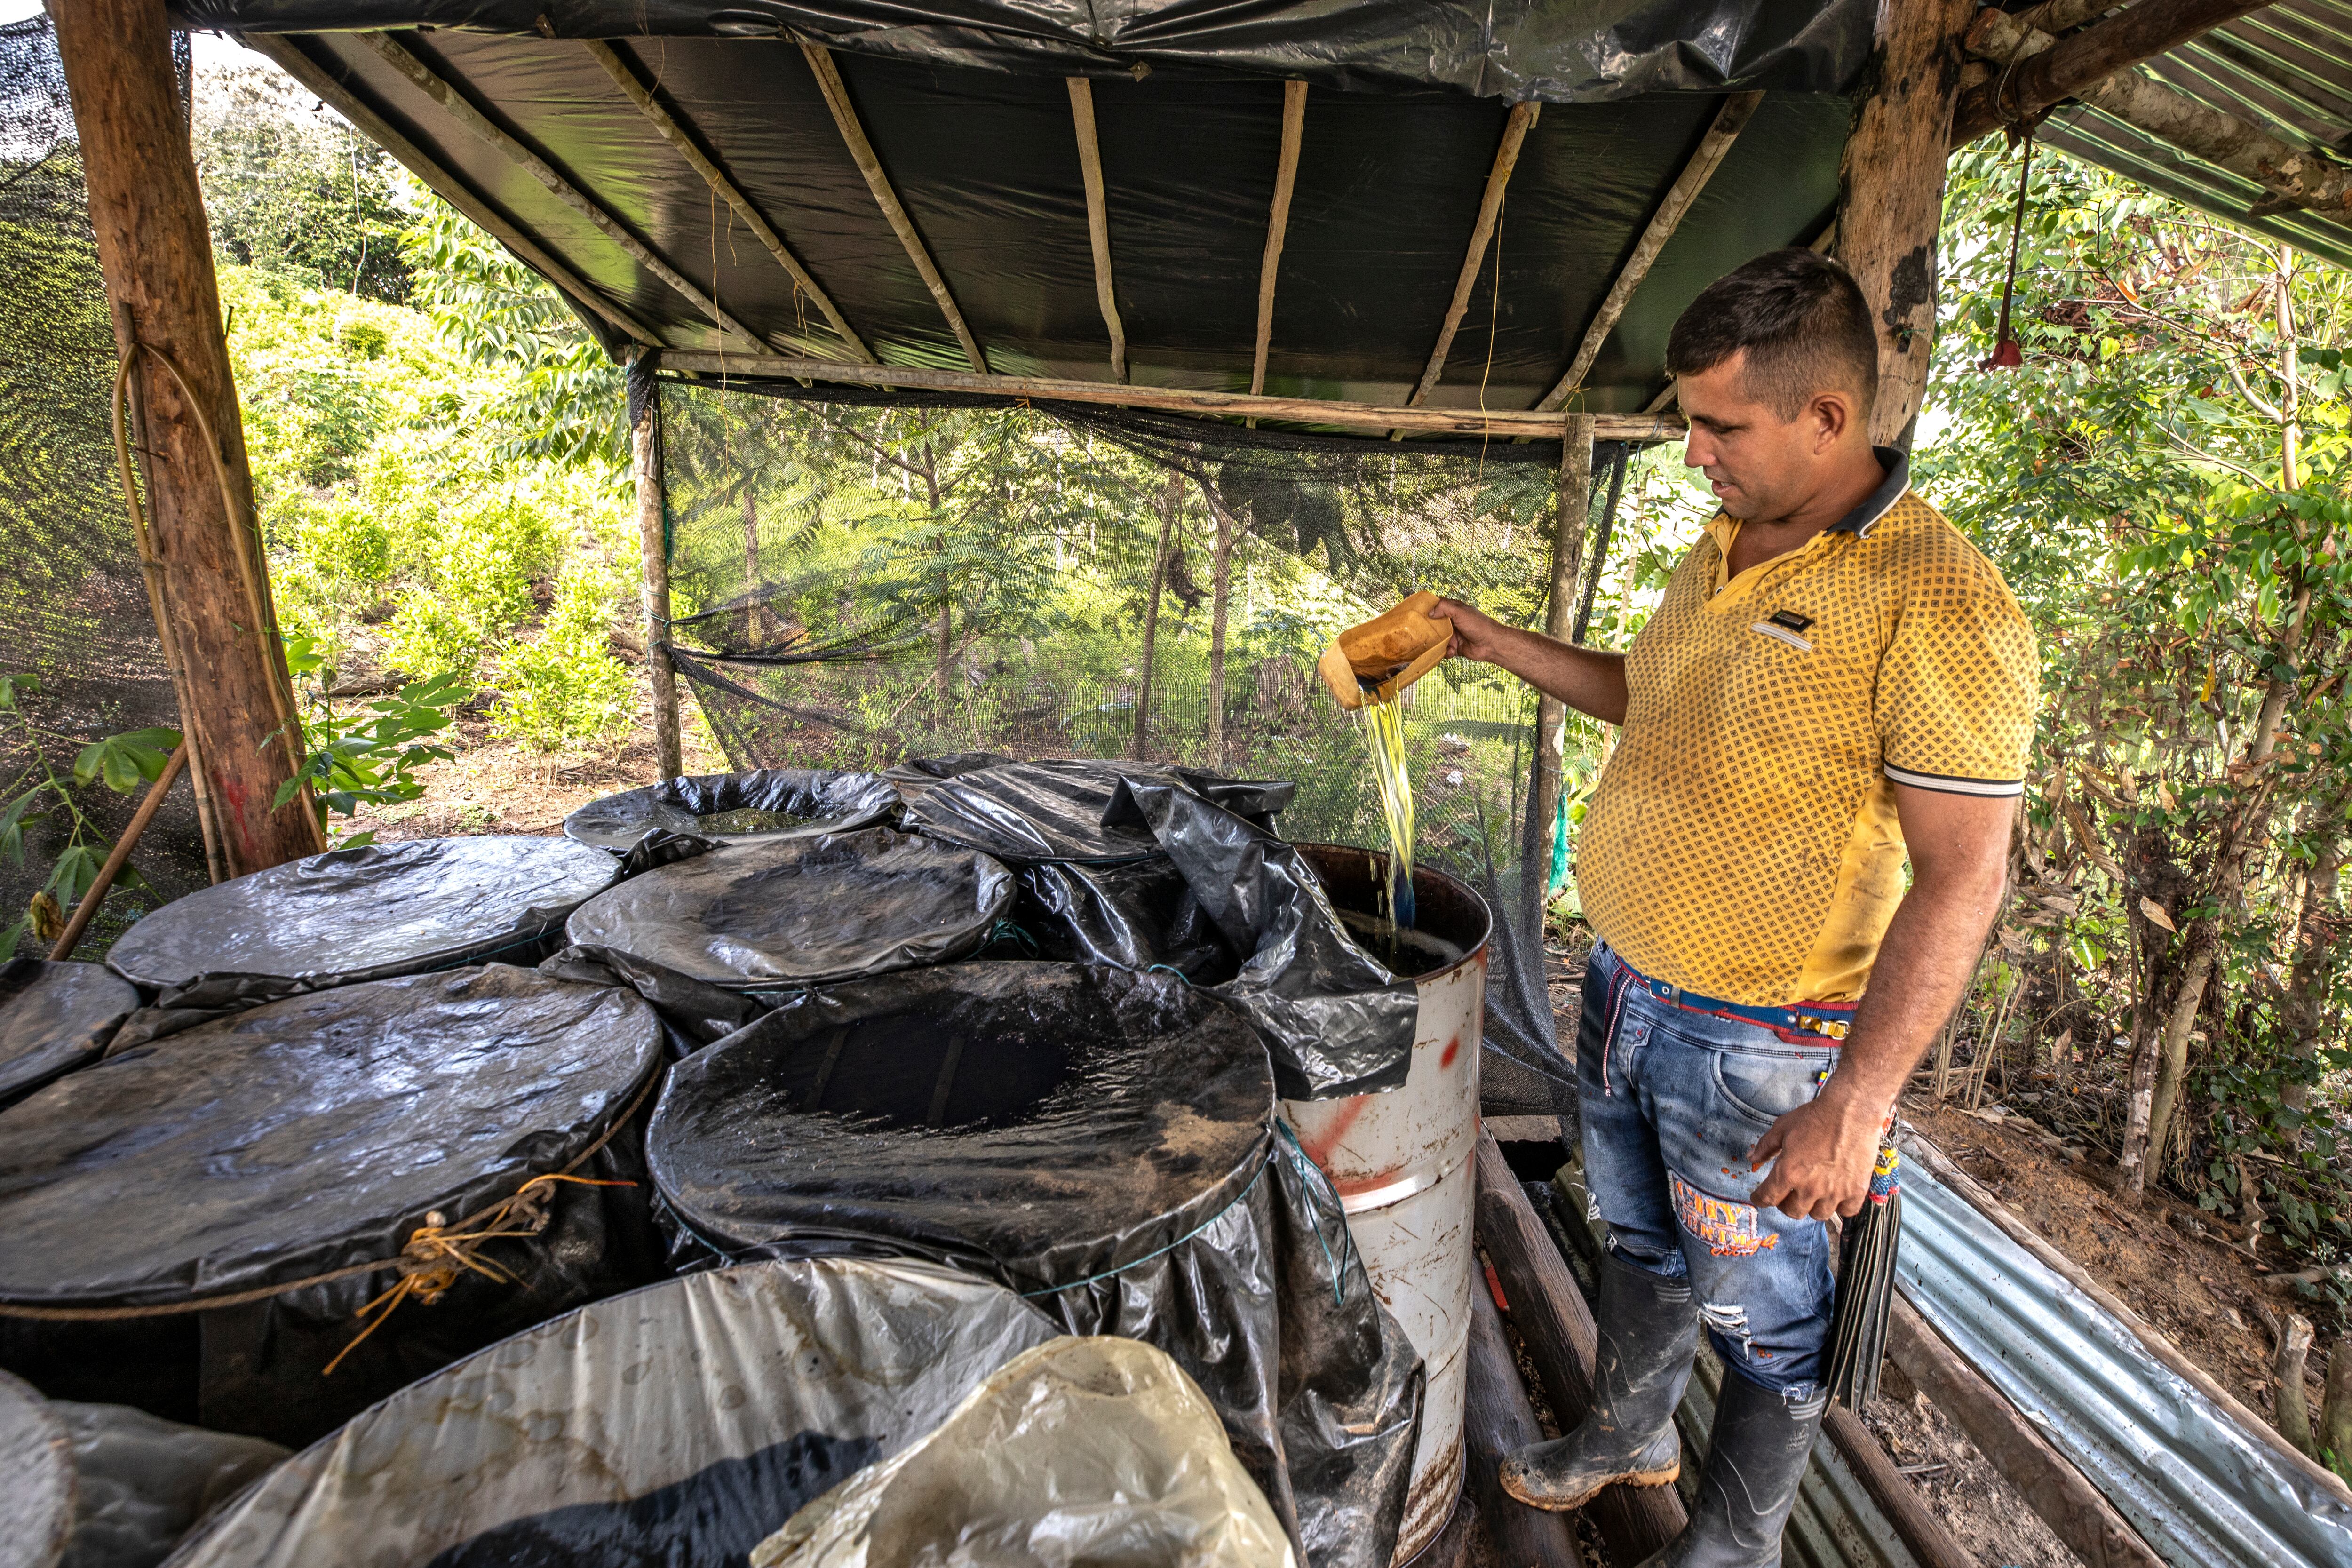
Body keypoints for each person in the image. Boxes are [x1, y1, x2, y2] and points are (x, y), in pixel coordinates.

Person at [1433, 249, 2035, 1568]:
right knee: (1638, 1239)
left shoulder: (1939, 600)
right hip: (1627, 986)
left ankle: (1734, 1550)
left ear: (1826, 417)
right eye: (1691, 421)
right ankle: (1626, 1434)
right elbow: (1653, 700)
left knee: (1768, 1315)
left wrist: (1858, 1103)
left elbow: (1966, 875)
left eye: (1721, 426)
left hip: (1766, 1041)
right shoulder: (1718, 549)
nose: (1694, 451)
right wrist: (1492, 640)